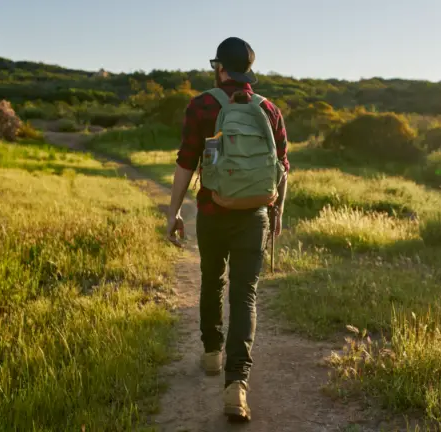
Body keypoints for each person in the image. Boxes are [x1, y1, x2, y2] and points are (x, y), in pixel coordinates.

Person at [166, 36, 289, 422]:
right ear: (248, 70)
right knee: (245, 296)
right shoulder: (268, 109)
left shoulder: (202, 105)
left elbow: (187, 161)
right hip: (255, 214)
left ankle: (210, 354)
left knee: (211, 279)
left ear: (219, 68)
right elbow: (282, 166)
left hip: (213, 210)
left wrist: (173, 213)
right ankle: (237, 385)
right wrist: (278, 212)